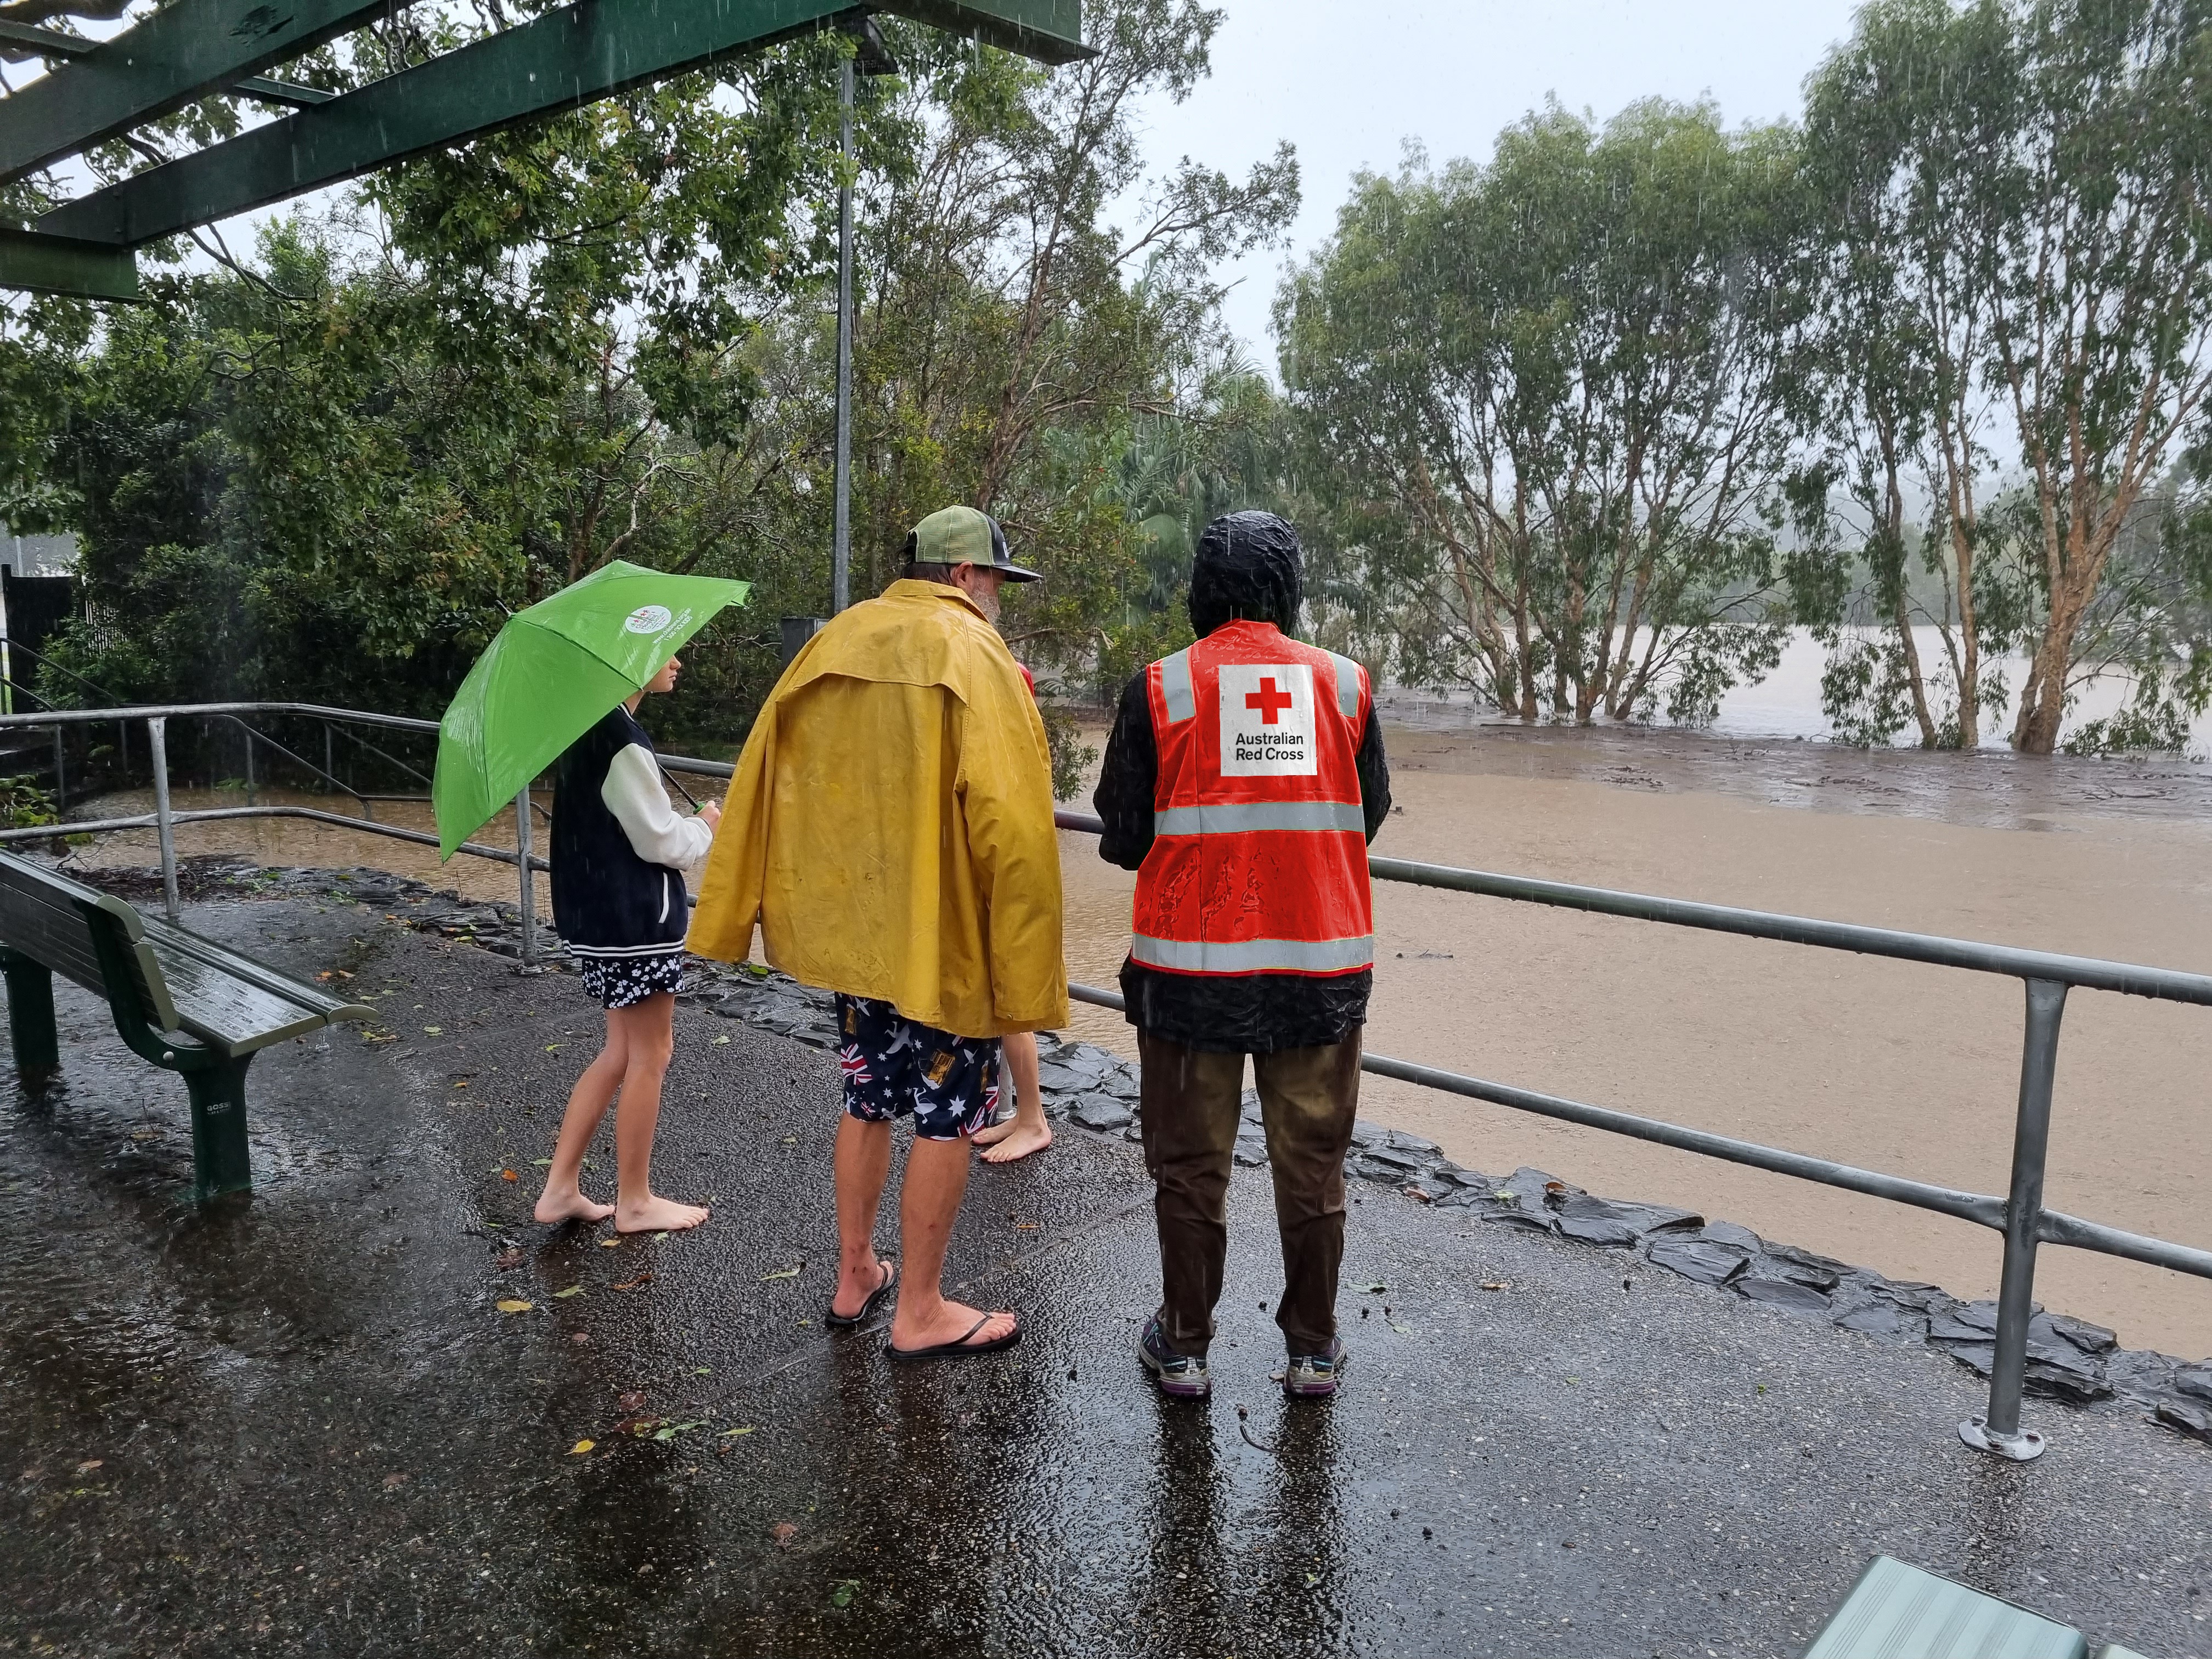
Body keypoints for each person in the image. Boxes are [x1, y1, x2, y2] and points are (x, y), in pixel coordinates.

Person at [689, 505, 1067, 1358]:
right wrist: (1027, 957)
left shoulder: (836, 641)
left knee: (866, 1100)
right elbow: (1013, 825)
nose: (998, 598)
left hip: (856, 936)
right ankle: (921, 1309)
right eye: (997, 581)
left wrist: (742, 905)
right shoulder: (976, 655)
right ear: (967, 575)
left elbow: (765, 775)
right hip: (944, 943)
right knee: (947, 1117)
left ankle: (856, 1270)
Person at [1094, 511, 1390, 1402]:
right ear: (1290, 588)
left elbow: (1122, 834)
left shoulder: (1160, 688)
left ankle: (1182, 1346)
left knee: (1190, 1168)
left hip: (1190, 982)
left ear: (1200, 589)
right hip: (1320, 975)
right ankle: (1313, 1348)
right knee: (1313, 1169)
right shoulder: (1344, 684)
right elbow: (1366, 815)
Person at [534, 654, 721, 1234]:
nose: (677, 660)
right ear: (629, 662)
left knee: (620, 1053)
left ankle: (561, 1187)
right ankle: (635, 1201)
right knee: (651, 1055)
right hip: (635, 927)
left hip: (599, 923)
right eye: (663, 650)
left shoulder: (591, 727)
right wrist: (706, 826)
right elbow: (661, 842)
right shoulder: (621, 740)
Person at [972, 660, 1053, 1166]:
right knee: (997, 1000)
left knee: (1011, 1003)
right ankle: (1016, 1112)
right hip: (1005, 871)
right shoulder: (1014, 751)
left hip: (1009, 878)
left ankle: (1032, 1119)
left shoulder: (1009, 755)